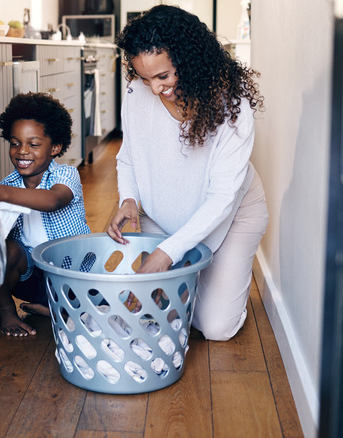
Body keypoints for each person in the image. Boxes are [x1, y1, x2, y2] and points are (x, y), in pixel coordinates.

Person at [107, 5, 269, 341]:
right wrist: (128, 201)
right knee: (136, 309)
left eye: (163, 76)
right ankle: (191, 279)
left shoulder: (231, 107)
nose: (153, 89)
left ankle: (218, 281)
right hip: (162, 215)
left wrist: (167, 254)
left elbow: (222, 197)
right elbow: (128, 158)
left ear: (190, 60)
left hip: (230, 214)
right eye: (144, 76)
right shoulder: (137, 93)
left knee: (215, 328)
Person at [0, 92, 90, 337]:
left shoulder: (65, 175)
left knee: (96, 308)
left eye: (33, 144)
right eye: (15, 143)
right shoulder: (9, 184)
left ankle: (57, 308)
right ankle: (6, 311)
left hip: (74, 278)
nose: (22, 151)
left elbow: (54, 200)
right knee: (4, 250)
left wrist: (1, 193)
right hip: (30, 279)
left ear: (55, 147)